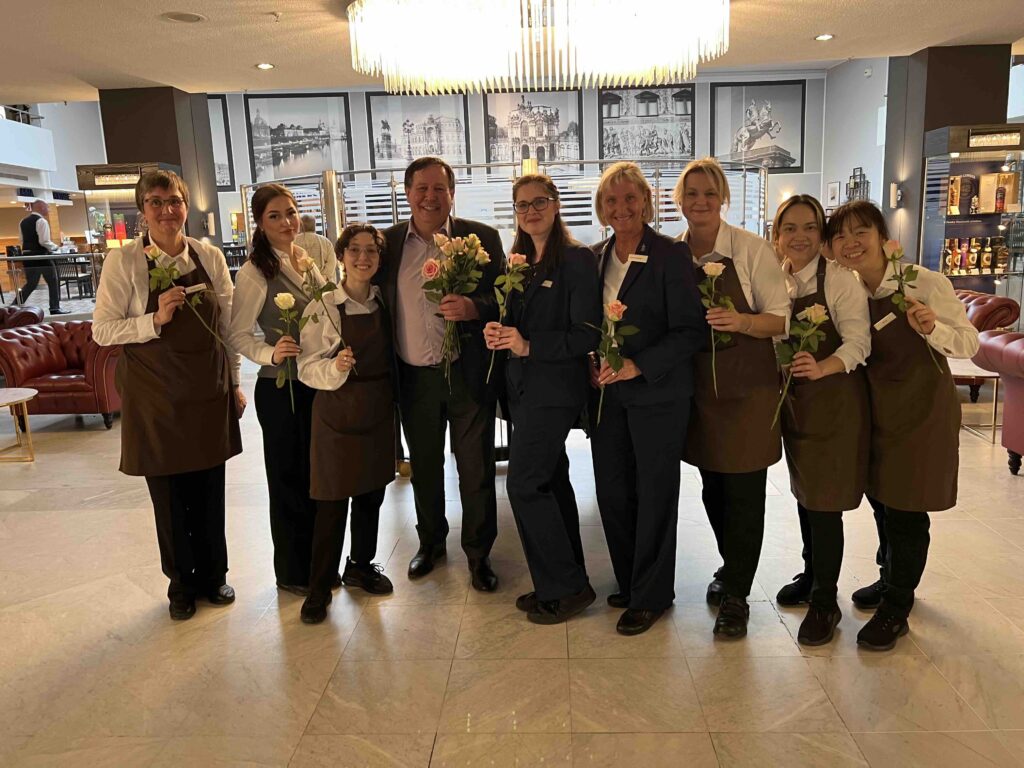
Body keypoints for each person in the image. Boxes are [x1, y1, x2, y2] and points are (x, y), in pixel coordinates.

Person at [826, 200, 978, 651]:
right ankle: (887, 575)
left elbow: (969, 341)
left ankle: (898, 605)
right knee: (881, 501)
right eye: (841, 237)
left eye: (861, 233)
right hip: (876, 410)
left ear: (880, 235)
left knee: (908, 507)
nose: (852, 243)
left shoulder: (923, 282)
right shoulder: (848, 288)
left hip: (921, 409)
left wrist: (933, 327)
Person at [93, 170, 243, 621]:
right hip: (155, 396)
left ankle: (214, 575)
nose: (166, 210)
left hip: (206, 390)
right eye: (156, 202)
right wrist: (153, 320)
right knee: (170, 497)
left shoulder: (209, 256)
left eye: (174, 201)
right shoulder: (123, 263)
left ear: (184, 206)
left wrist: (235, 381)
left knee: (209, 489)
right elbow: (102, 331)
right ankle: (180, 585)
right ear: (143, 210)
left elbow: (227, 328)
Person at [589, 162, 704, 635]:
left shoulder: (670, 255)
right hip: (607, 398)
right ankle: (630, 580)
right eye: (611, 200)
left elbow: (690, 331)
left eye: (630, 198)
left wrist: (640, 365)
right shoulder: (595, 257)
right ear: (601, 208)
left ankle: (653, 594)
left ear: (646, 201)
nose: (622, 208)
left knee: (655, 493)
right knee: (614, 492)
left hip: (657, 395)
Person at [677, 157, 790, 639]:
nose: (700, 202)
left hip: (748, 390)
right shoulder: (671, 254)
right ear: (678, 201)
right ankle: (731, 566)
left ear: (723, 198)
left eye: (709, 193)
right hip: (700, 389)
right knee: (712, 489)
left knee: (744, 494)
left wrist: (741, 322)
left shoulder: (750, 249)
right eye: (691, 194)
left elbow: (780, 318)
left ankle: (738, 596)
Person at [381, 156, 505, 591]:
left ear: (453, 194)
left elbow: (505, 299)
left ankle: (479, 554)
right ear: (408, 192)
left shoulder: (482, 239)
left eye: (439, 188)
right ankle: (431, 544)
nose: (430, 197)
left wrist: (475, 307)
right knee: (426, 469)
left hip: (467, 375)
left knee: (475, 470)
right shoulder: (387, 244)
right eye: (421, 188)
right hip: (414, 377)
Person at [483, 174, 601, 624]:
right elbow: (514, 322)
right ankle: (561, 581)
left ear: (556, 206)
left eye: (539, 202)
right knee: (550, 482)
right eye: (521, 205)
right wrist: (499, 331)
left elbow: (587, 333)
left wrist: (530, 345)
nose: (530, 211)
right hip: (522, 390)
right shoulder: (518, 262)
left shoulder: (576, 260)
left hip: (554, 391)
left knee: (523, 484)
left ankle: (568, 587)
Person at [771, 194, 871, 645]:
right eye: (790, 228)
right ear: (778, 235)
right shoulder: (780, 280)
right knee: (806, 494)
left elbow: (859, 342)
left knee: (825, 502)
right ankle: (812, 575)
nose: (800, 236)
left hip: (834, 403)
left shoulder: (841, 281)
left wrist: (823, 366)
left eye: (810, 227)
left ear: (821, 233)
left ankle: (826, 602)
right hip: (798, 406)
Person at [297, 223, 396, 623]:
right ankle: (319, 587)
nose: (363, 257)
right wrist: (335, 367)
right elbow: (305, 366)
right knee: (332, 504)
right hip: (336, 413)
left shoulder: (383, 303)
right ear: (341, 256)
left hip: (377, 410)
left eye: (371, 251)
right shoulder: (322, 307)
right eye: (354, 250)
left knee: (371, 496)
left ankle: (360, 565)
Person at [228, 184, 321, 597]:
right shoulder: (254, 272)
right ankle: (292, 571)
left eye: (291, 212)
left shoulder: (303, 258)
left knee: (314, 478)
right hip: (280, 389)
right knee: (288, 482)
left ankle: (318, 565)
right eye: (275, 216)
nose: (287, 222)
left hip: (313, 383)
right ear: (259, 223)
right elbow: (237, 333)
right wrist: (269, 353)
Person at [17, 200, 69, 314]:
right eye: (47, 207)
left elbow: (21, 240)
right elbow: (44, 241)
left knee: (31, 284)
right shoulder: (41, 221)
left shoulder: (23, 221)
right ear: (41, 207)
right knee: (53, 281)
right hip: (41, 256)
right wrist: (56, 248)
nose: (48, 210)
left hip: (27, 256)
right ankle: (54, 308)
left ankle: (13, 307)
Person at [293, 214, 339, 282]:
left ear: (300, 225)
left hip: (299, 282)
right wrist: (323, 277)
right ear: (314, 225)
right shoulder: (325, 241)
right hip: (323, 283)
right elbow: (332, 262)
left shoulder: (293, 241)